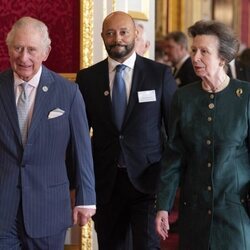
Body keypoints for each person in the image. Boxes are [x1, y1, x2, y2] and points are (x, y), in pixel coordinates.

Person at [76, 11, 177, 250]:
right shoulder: (87, 78)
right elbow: (79, 137)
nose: (117, 38)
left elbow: (174, 132)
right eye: (110, 33)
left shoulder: (159, 75)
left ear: (136, 34)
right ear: (102, 37)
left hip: (148, 182)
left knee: (147, 246)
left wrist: (170, 181)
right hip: (106, 183)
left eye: (123, 32)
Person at [0, 16, 96, 250]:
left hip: (48, 208)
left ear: (46, 52)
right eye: (18, 48)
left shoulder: (68, 93)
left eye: (31, 49)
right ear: (8, 48)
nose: (23, 57)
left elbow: (82, 151)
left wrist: (86, 198)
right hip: (3, 206)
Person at [155, 19, 250, 250]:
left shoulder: (245, 96)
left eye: (204, 52)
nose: (195, 57)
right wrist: (163, 205)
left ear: (222, 58)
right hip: (194, 211)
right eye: (193, 50)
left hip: (235, 210)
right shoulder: (183, 98)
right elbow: (174, 156)